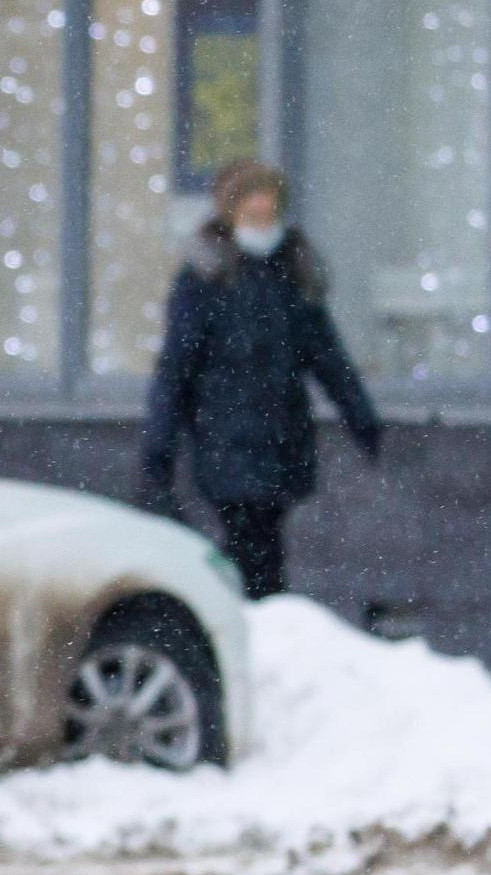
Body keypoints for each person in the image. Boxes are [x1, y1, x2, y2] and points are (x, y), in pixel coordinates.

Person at [140, 158, 382, 599]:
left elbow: (326, 356)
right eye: (253, 217)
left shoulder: (292, 274)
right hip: (225, 441)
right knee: (249, 548)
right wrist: (159, 448)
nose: (262, 226)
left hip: (282, 441)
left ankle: (260, 626)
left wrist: (361, 417)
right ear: (230, 216)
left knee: (264, 547)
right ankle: (253, 628)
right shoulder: (204, 280)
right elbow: (175, 369)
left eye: (269, 216)